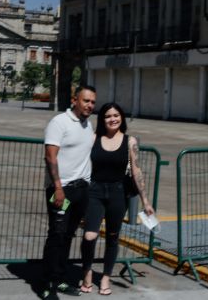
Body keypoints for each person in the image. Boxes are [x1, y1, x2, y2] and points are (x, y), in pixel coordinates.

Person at [79, 102, 155, 296]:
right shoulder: (94, 138)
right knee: (90, 235)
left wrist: (145, 201)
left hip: (118, 192)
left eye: (116, 115)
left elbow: (136, 171)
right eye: (107, 116)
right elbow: (80, 164)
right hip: (94, 191)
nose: (112, 119)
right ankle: (86, 271)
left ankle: (105, 277)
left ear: (121, 117)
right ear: (102, 119)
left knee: (113, 237)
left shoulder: (130, 142)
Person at [42, 85, 97, 300]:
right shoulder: (59, 122)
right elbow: (50, 156)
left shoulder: (87, 125)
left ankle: (60, 279)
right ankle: (47, 284)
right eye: (86, 101)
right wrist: (57, 188)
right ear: (74, 100)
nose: (90, 105)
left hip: (81, 191)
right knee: (56, 235)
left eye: (93, 102)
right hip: (61, 190)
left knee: (67, 236)